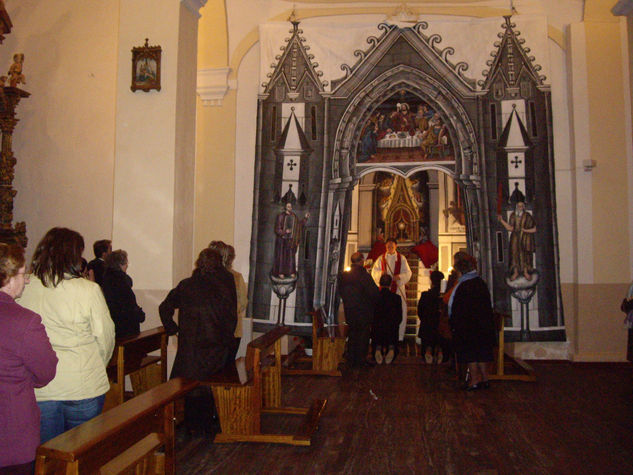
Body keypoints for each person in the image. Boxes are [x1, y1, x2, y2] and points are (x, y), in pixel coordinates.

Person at [18, 227, 115, 442]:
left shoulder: (23, 286)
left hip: (41, 386)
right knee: (81, 455)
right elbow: (105, 338)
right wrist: (97, 364)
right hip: (83, 383)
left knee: (48, 455)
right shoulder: (88, 290)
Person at [159, 248, 237, 437]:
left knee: (191, 384)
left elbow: (165, 307)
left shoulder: (187, 285)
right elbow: (231, 318)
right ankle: (208, 425)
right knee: (209, 386)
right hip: (214, 346)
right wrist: (225, 339)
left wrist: (173, 329)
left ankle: (191, 425)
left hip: (191, 346)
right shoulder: (223, 287)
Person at [0, 244, 57, 474]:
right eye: (24, 274)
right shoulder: (25, 321)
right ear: (10, 277)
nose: (26, 281)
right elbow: (46, 371)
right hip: (12, 430)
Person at [448, 252, 496, 391]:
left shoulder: (463, 285)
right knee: (481, 353)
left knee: (471, 354)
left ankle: (474, 380)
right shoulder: (480, 283)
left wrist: (454, 323)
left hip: (468, 326)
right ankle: (485, 379)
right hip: (483, 325)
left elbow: (455, 306)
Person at [338, 252, 379, 368]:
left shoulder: (345, 276)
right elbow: (374, 293)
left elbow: (341, 291)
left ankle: (351, 359)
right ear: (362, 261)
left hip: (350, 310)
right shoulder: (364, 275)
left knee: (352, 334)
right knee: (363, 336)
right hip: (363, 311)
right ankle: (360, 360)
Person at [209, 241, 247, 362]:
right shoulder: (235, 277)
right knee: (227, 364)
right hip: (233, 329)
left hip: (215, 329)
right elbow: (242, 304)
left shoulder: (208, 276)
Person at [371, 237, 412, 341]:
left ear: (396, 246)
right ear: (385, 246)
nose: (390, 248)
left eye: (392, 246)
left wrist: (399, 277)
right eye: (388, 246)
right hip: (384, 289)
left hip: (397, 288)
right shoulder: (381, 259)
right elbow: (374, 272)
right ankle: (383, 336)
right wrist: (381, 274)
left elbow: (408, 273)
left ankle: (399, 337)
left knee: (399, 312)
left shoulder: (401, 258)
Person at [101, 250, 145, 339]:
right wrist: (140, 314)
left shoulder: (107, 278)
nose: (127, 265)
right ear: (120, 264)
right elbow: (129, 304)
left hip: (113, 323)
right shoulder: (121, 281)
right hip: (125, 326)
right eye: (126, 262)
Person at [498, 200, 536, 281]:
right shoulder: (513, 215)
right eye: (518, 206)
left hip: (525, 239)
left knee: (525, 255)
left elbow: (534, 229)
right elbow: (510, 228)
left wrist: (525, 230)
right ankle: (516, 272)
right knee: (514, 255)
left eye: (521, 206)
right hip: (514, 239)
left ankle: (526, 272)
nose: (520, 208)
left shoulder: (527, 216)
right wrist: (502, 221)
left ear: (524, 207)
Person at [272, 202, 309, 279]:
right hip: (282, 240)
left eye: (291, 207)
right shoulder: (280, 216)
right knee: (282, 256)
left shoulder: (294, 216)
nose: (290, 208)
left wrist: (305, 218)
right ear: (285, 207)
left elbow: (298, 225)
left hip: (290, 240)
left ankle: (291, 272)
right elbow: (277, 229)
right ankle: (280, 272)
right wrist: (285, 231)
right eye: (288, 206)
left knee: (291, 256)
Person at [372, 274, 401, 365]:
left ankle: (377, 349)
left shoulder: (375, 297)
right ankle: (391, 349)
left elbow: (372, 313)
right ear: (390, 284)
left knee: (377, 333)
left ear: (380, 283)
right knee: (393, 332)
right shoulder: (396, 298)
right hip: (391, 327)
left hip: (378, 327)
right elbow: (399, 316)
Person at [417, 270, 445, 364]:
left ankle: (428, 351)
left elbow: (420, 311)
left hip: (427, 324)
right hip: (440, 326)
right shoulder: (443, 297)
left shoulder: (425, 295)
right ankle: (440, 352)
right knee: (440, 339)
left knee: (428, 339)